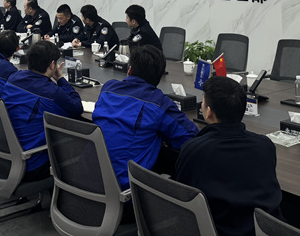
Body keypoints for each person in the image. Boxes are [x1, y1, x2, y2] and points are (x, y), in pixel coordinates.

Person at [174, 76, 284, 236]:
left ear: (208, 112)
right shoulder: (266, 145)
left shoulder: (195, 149)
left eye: (203, 102)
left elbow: (182, 197)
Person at [93, 46, 198, 190]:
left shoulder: (108, 88)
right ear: (159, 78)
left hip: (86, 176)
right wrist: (162, 135)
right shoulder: (159, 102)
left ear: (129, 70)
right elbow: (191, 139)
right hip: (124, 190)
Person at [2, 40, 83, 180]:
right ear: (52, 64)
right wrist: (60, 79)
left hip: (5, 154)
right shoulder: (52, 92)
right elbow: (77, 108)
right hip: (31, 163)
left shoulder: (13, 78)